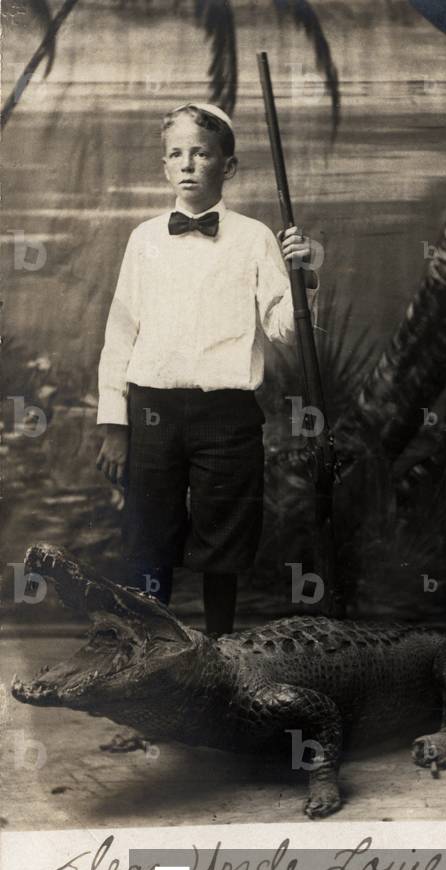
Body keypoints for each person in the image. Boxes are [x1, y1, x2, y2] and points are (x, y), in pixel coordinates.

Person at [95, 101, 320, 635]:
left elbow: (286, 328)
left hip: (228, 413)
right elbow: (119, 333)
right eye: (177, 154)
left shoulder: (256, 238)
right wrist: (113, 423)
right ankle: (152, 653)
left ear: (229, 166)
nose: (189, 163)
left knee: (225, 536)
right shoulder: (145, 239)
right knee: (150, 536)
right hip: (152, 410)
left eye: (202, 153)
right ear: (165, 168)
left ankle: (220, 651)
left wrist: (303, 277)